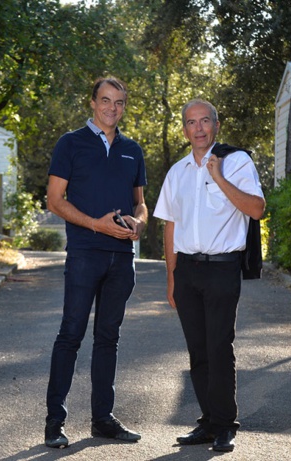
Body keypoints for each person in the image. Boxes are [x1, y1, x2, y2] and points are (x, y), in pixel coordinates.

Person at [153, 99, 265, 452]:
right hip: (187, 271)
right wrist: (171, 277)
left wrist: (217, 177)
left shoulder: (236, 162)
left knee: (219, 347)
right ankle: (207, 421)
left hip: (221, 269)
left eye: (204, 121)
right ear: (184, 129)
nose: (198, 128)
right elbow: (171, 227)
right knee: (198, 350)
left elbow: (257, 209)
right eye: (191, 122)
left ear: (216, 125)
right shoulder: (177, 172)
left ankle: (225, 424)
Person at [44, 77, 148, 448]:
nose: (112, 108)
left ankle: (103, 420)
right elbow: (55, 200)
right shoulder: (70, 143)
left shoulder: (132, 150)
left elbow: (141, 203)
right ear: (92, 103)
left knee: (108, 339)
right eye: (105, 100)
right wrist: (95, 224)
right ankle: (55, 422)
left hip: (122, 258)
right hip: (85, 254)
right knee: (70, 335)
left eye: (119, 102)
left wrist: (139, 221)